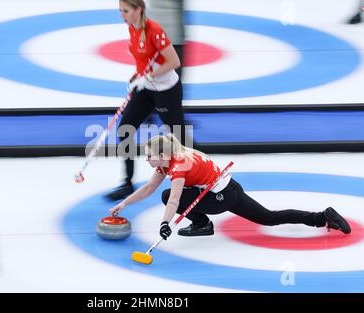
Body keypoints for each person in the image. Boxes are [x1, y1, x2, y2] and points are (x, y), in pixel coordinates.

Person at [109, 134, 351, 241]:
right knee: (268, 217)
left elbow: (173, 199)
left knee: (167, 194)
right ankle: (322, 218)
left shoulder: (179, 164)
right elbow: (148, 188)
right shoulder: (168, 159)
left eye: (149, 155)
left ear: (161, 154)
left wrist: (165, 224)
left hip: (222, 196)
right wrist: (124, 203)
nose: (147, 159)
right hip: (226, 188)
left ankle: (203, 224)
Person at [106, 0, 187, 201]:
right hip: (146, 88)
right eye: (120, 11)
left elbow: (174, 62)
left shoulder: (154, 30)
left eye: (125, 11)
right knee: (125, 128)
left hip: (166, 90)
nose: (122, 15)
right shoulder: (133, 28)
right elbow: (144, 59)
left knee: (178, 136)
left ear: (138, 10)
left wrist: (149, 76)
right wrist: (138, 75)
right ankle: (127, 182)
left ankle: (194, 179)